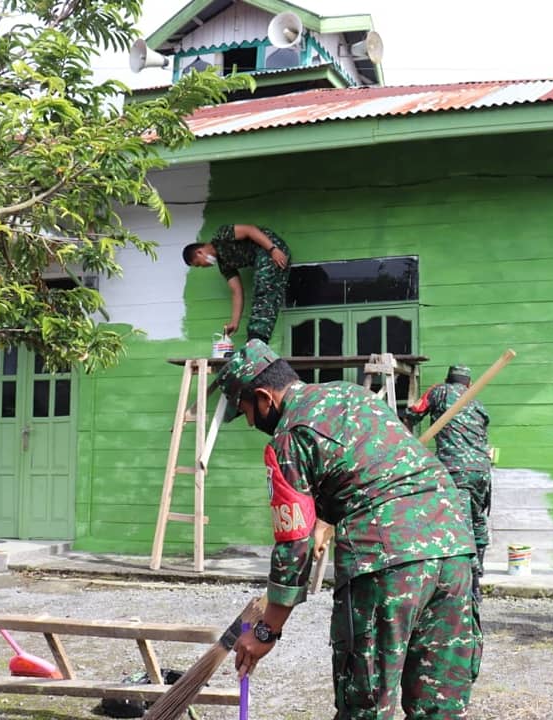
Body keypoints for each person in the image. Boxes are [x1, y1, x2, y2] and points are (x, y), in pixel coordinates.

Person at [224, 340, 481, 718]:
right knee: (439, 706)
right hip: (454, 547)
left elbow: (293, 544)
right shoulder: (353, 395)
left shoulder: (289, 435)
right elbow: (368, 470)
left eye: (246, 409)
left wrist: (266, 631)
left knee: (366, 705)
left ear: (264, 397)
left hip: (386, 559)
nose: (249, 421)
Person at [404, 364, 492, 602]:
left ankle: (472, 586)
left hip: (457, 471)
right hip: (482, 470)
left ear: (448, 379)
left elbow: (413, 412)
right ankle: (478, 575)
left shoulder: (439, 391)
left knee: (461, 526)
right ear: (469, 384)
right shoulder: (477, 403)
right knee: (477, 519)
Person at [182, 224, 292, 342]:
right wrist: (234, 322)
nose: (202, 267)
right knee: (268, 293)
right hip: (264, 258)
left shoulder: (221, 236)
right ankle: (258, 338)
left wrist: (273, 249)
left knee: (263, 287)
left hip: (270, 249)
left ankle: (257, 337)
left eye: (199, 264)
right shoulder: (224, 265)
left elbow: (250, 230)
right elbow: (236, 291)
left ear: (200, 252)